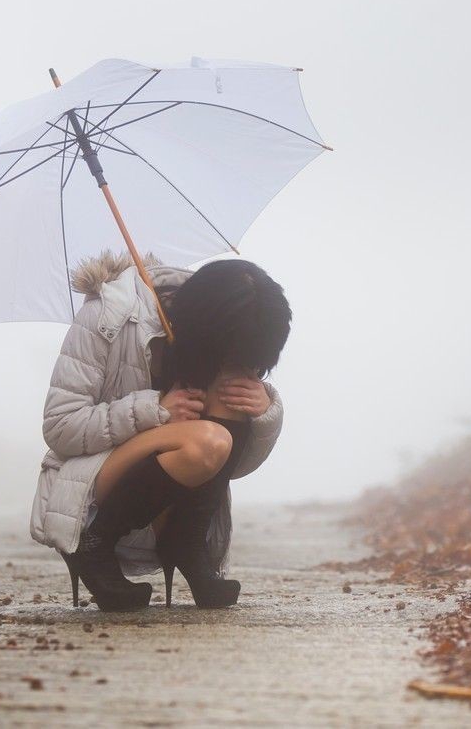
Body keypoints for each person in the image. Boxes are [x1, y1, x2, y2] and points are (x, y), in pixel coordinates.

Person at [29, 251, 290, 611]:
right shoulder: (105, 317)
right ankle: (95, 546)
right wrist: (155, 411)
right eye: (231, 353)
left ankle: (187, 541)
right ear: (209, 329)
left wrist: (265, 411)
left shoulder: (223, 333)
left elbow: (232, 463)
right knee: (207, 440)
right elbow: (60, 427)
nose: (235, 362)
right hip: (94, 489)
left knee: (231, 400)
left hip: (164, 497)